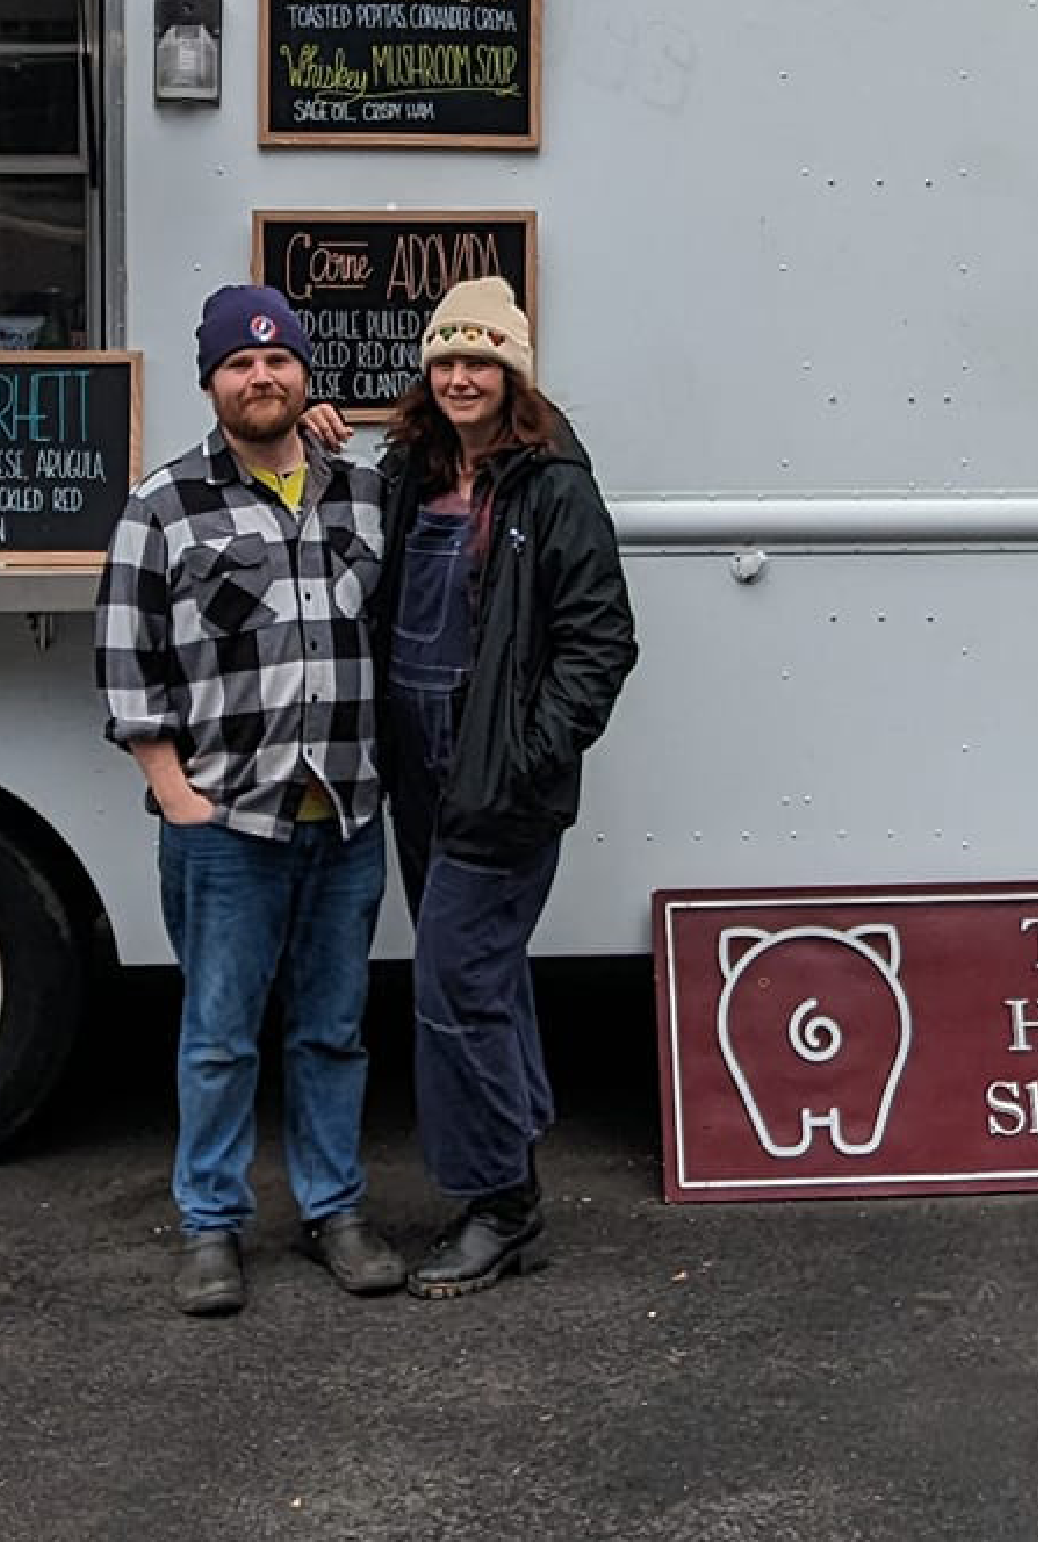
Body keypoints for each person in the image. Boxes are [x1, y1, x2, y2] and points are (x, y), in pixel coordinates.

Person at [311, 276, 638, 1298]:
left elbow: (601, 641)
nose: (459, 377)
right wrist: (320, 448)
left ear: (513, 374)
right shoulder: (408, 468)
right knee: (483, 979)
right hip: (417, 768)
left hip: (501, 781)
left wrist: (532, 752)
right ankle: (515, 1145)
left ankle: (504, 1201)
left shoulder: (554, 487)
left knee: (453, 984)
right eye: (445, 360)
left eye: (480, 362)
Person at [95, 284, 403, 1315]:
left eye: (279, 362)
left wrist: (352, 431)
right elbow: (127, 663)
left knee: (332, 1031)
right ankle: (211, 1227)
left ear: (305, 374)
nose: (261, 377)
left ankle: (335, 1211)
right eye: (240, 364)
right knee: (219, 1037)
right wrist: (174, 795)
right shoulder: (163, 504)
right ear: (211, 382)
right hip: (227, 823)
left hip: (347, 815)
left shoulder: (362, 494)